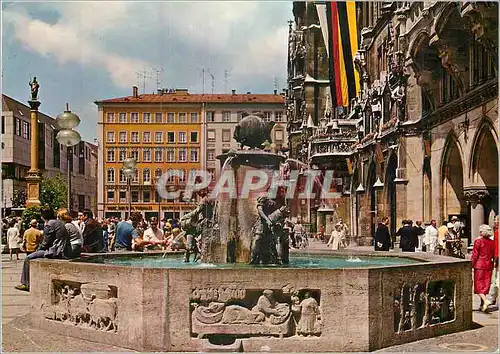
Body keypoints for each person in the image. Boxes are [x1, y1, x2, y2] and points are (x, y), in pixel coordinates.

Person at [15, 206, 72, 291]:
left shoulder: (49, 224)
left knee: (28, 258)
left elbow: (46, 242)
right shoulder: (58, 222)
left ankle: (26, 283)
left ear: (42, 216)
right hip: (63, 249)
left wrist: (38, 250)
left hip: (55, 251)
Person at [472, 224, 495, 312]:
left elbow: (475, 255)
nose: (480, 232)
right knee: (485, 286)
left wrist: (471, 265)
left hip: (479, 265)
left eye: (481, 231)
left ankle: (485, 301)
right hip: (489, 265)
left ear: (483, 232)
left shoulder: (478, 241)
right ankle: (483, 305)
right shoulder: (492, 242)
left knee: (478, 286)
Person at [488, 216, 499, 305]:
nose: (494, 222)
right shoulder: (495, 233)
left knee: (495, 280)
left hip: (497, 259)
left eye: (495, 220)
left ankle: (492, 298)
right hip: (496, 258)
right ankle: (492, 297)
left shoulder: (496, 233)